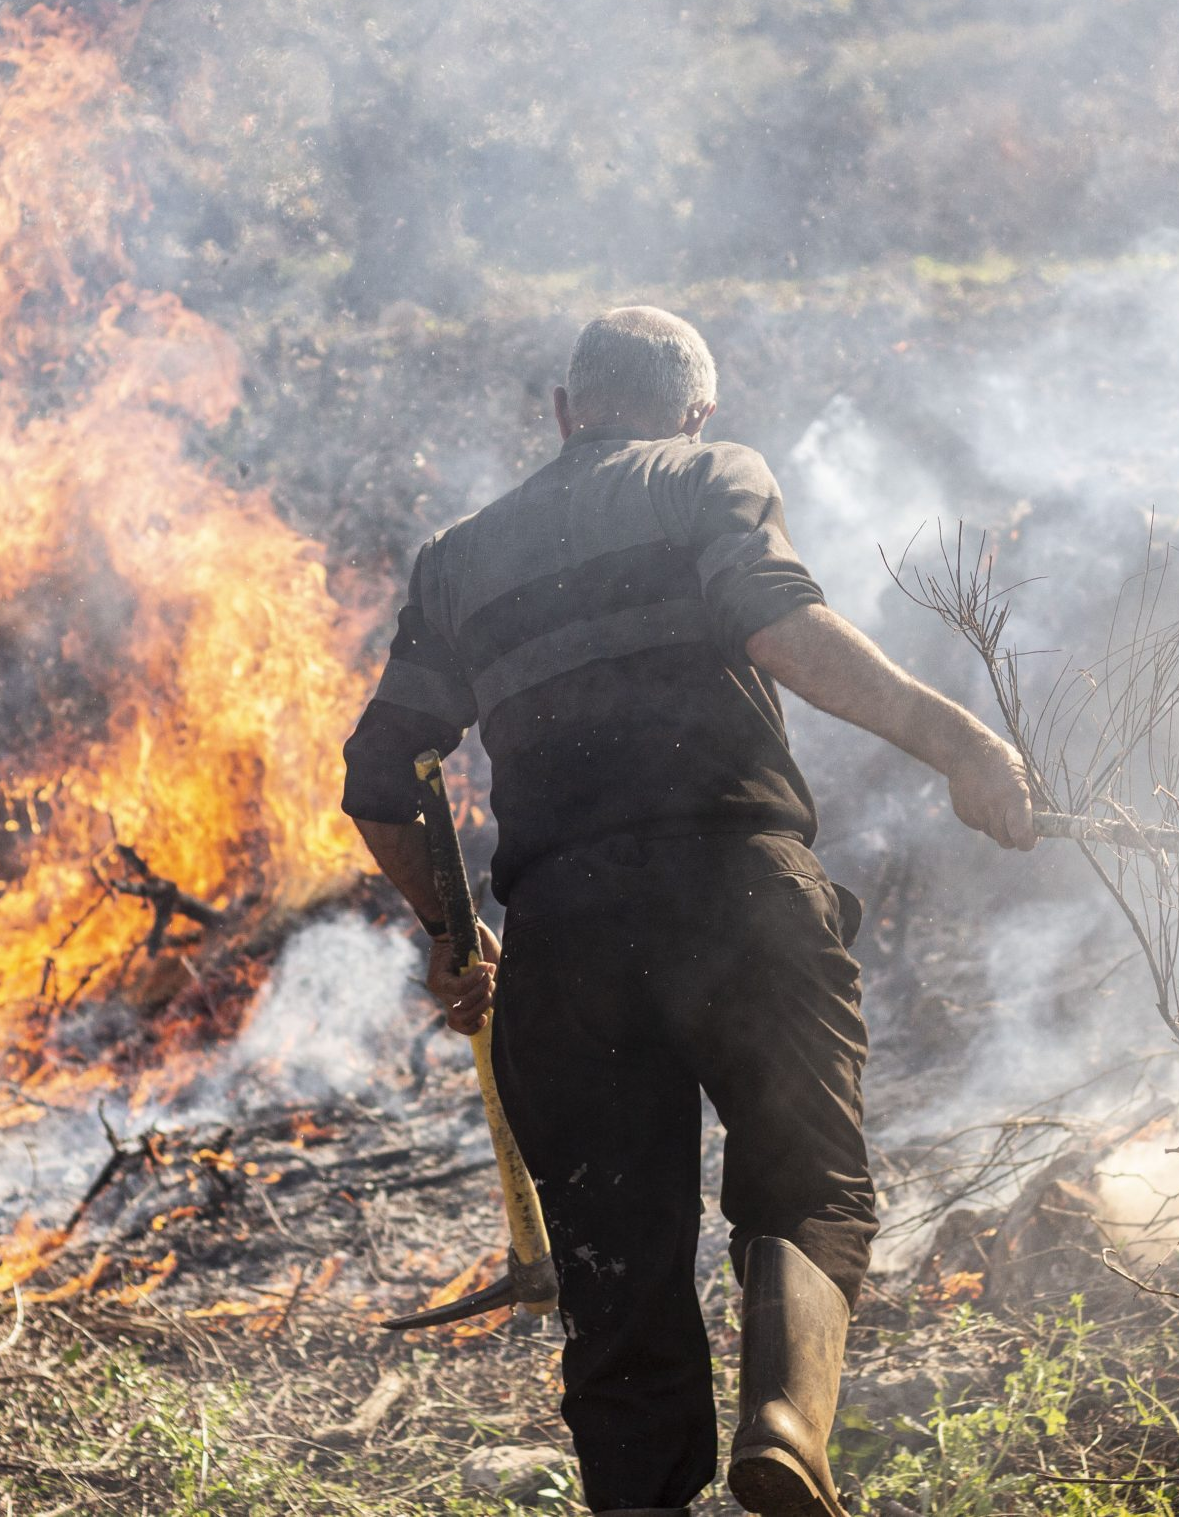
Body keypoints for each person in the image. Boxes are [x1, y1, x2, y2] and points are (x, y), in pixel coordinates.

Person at [341, 306, 1034, 1517]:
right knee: (808, 1189)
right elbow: (783, 627)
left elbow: (380, 776)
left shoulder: (457, 558)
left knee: (617, 1283)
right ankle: (782, 1425)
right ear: (694, 411)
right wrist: (960, 742)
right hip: (740, 894)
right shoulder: (709, 474)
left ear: (563, 415)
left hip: (565, 937)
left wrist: (453, 934)